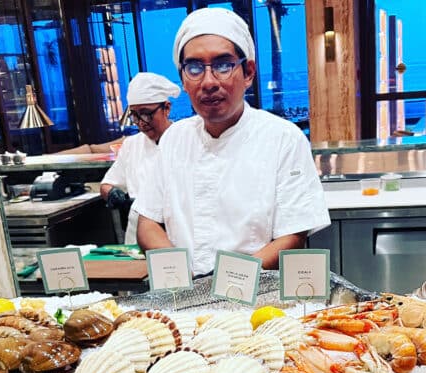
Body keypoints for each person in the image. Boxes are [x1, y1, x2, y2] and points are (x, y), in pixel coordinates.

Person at [133, 8, 330, 275]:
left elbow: (293, 234)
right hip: (184, 296)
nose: (209, 82)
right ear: (183, 78)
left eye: (223, 66)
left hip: (257, 299)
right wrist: (178, 274)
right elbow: (148, 223)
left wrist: (224, 282)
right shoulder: (173, 139)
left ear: (248, 72)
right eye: (194, 68)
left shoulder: (283, 137)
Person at [99, 73, 181, 244]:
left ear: (166, 108)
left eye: (146, 114)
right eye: (135, 115)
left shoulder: (184, 140)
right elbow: (107, 185)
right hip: (137, 237)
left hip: (177, 235)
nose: (141, 122)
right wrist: (113, 194)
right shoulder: (131, 145)